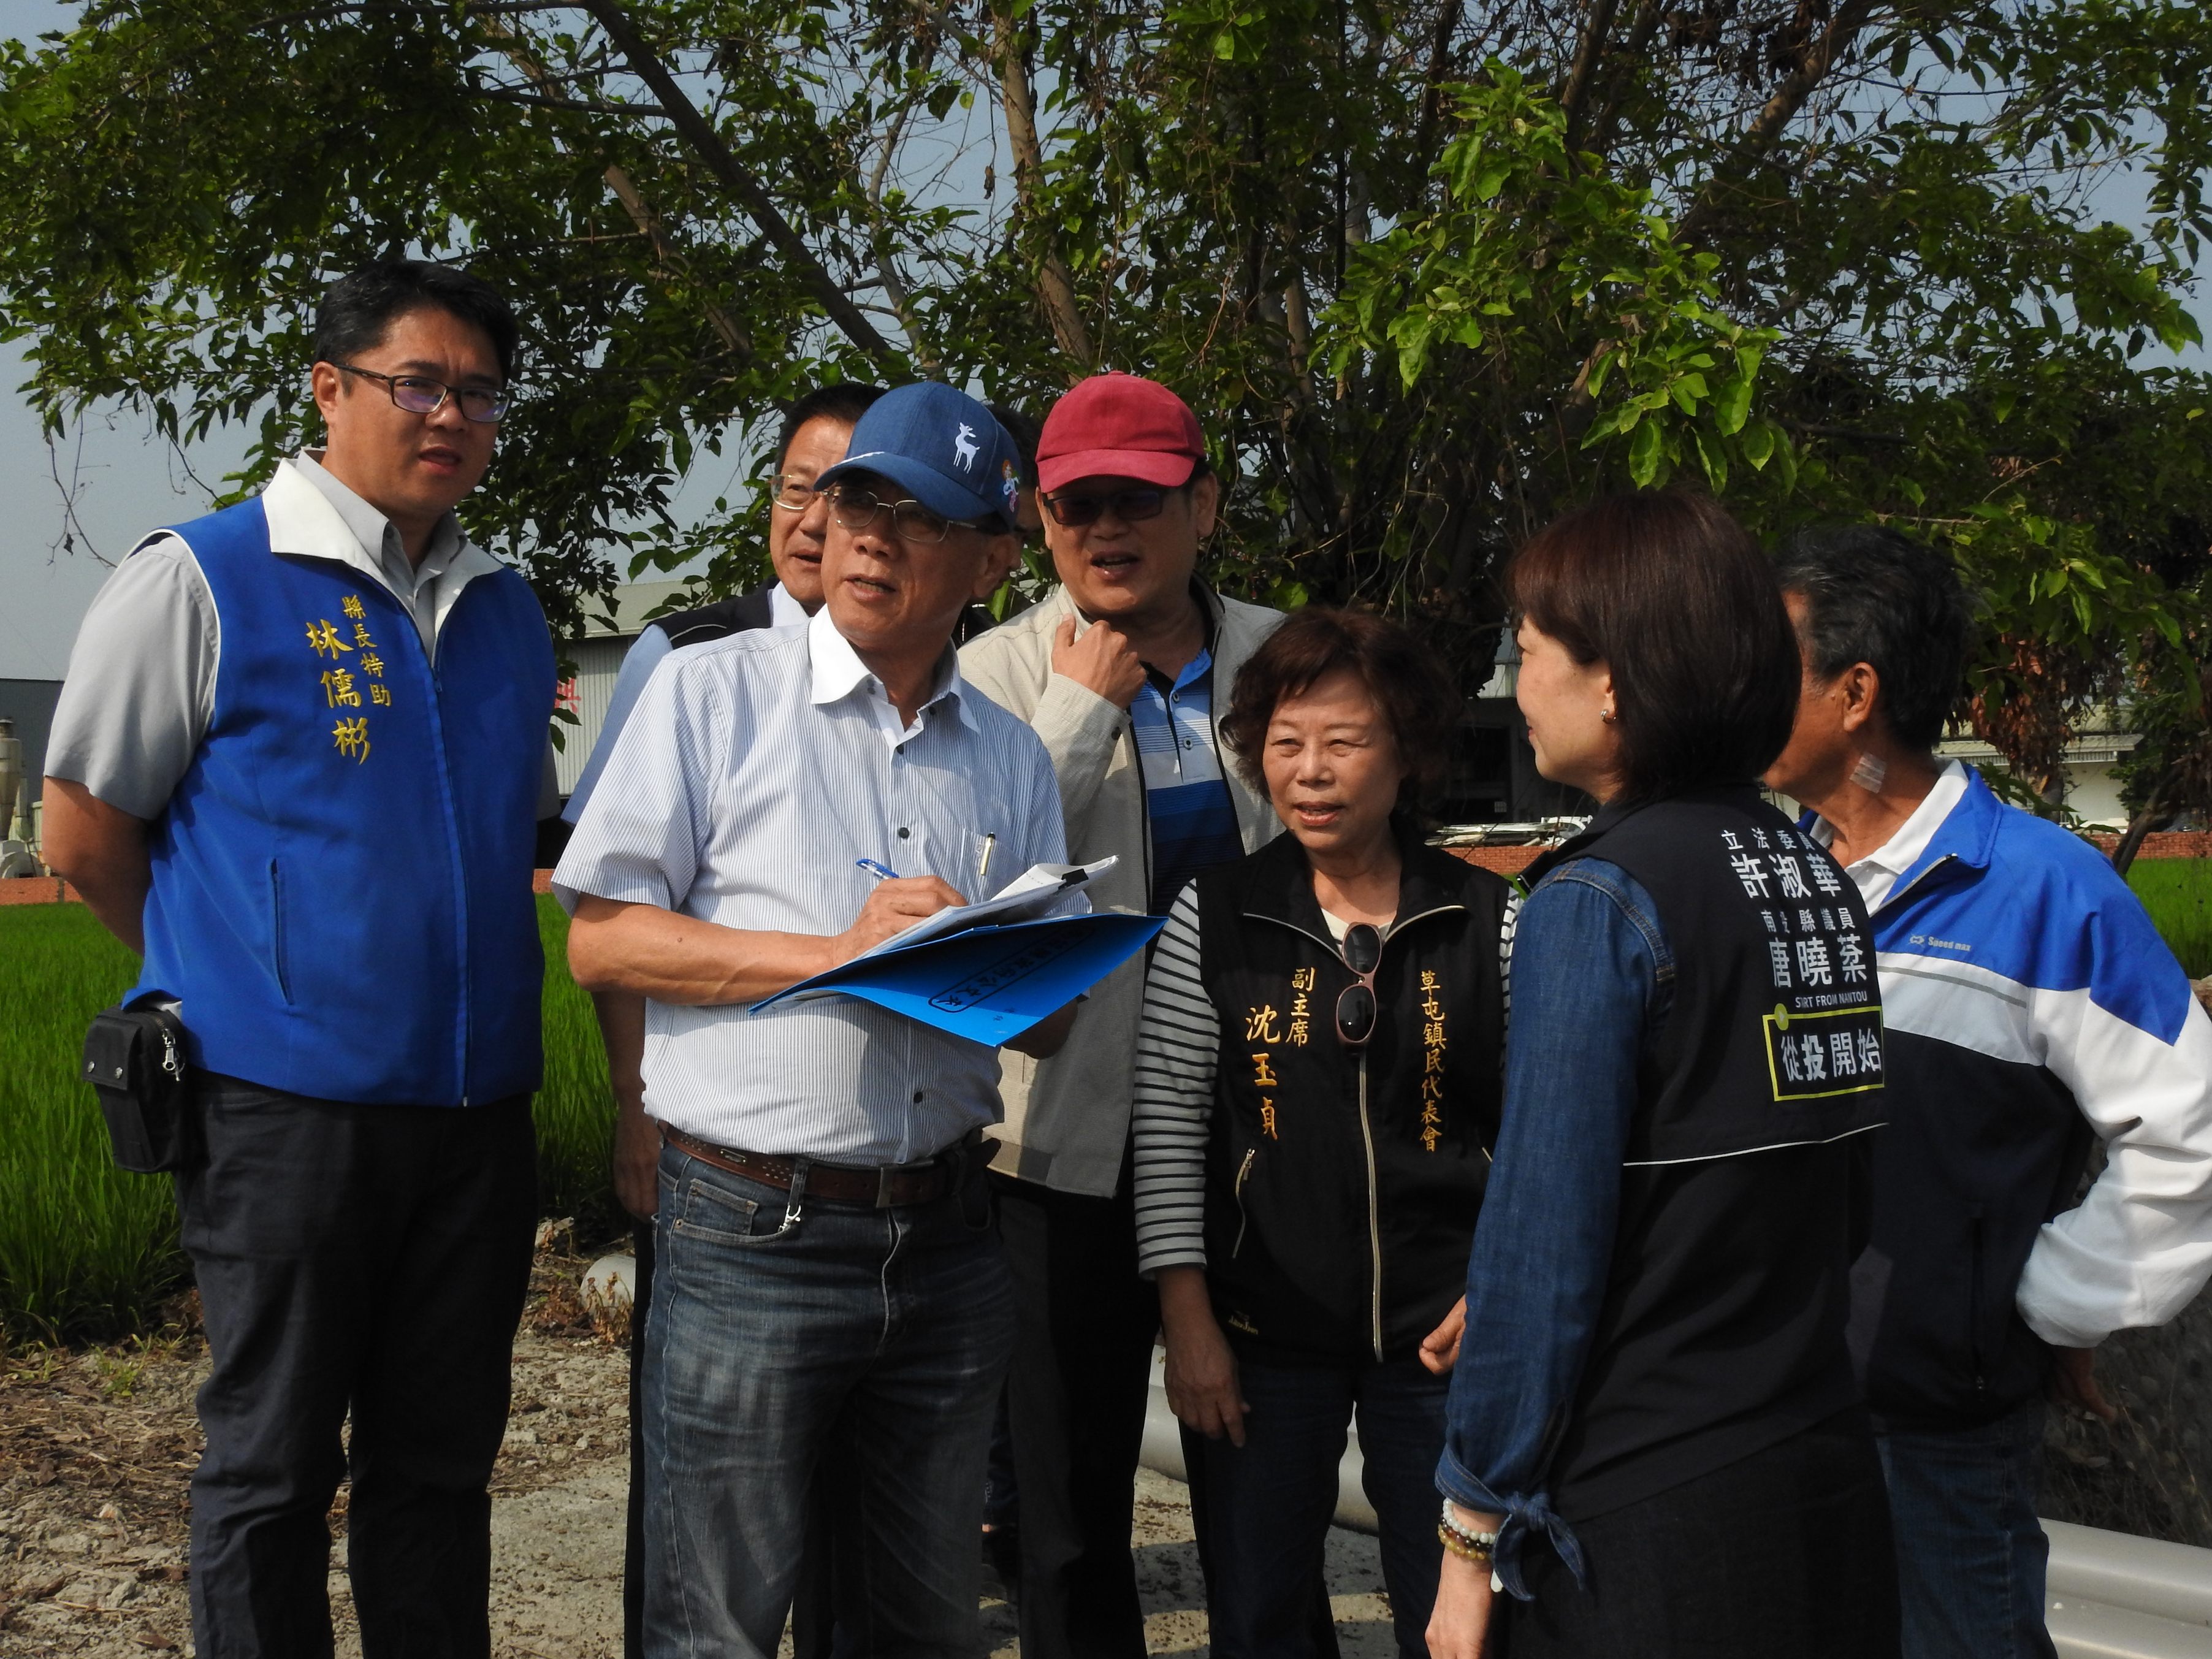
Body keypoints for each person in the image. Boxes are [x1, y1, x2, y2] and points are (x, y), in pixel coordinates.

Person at [40, 261, 557, 1658]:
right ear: (329, 391)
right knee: (270, 1467)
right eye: (418, 385)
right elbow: (84, 830)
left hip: (475, 1115)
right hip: (279, 1112)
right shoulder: (202, 577)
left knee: (441, 1467)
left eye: (479, 393)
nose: (450, 415)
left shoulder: (507, 608)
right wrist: (234, 975)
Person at [555, 381, 1075, 1657]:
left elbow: (1046, 1030)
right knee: (715, 1623)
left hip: (948, 1232)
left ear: (992, 562)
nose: (869, 535)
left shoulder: (1008, 754)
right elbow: (602, 939)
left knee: (918, 1622)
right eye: (856, 500)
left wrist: (1004, 967)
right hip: (751, 1234)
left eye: (917, 515)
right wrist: (839, 954)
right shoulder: (708, 695)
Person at [1427, 491, 1898, 1659]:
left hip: (1645, 1503)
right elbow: (1821, 1187)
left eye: (1525, 650)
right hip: (1815, 1457)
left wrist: (1472, 1525)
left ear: (1616, 682)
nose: (1513, 682)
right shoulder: (1809, 872)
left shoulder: (1595, 899)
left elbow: (1546, 1236)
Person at [1763, 526, 2212, 1659]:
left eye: (1769, 664)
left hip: (1939, 1434)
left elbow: (2192, 1125)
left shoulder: (2037, 887)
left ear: (1855, 692)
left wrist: (2052, 1301)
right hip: (1778, 1406)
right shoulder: (1778, 881)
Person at [958, 370, 1282, 1659]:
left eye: (1137, 500)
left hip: (1260, 1131)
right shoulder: (986, 673)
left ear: (1200, 504)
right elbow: (976, 885)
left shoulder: (1284, 659)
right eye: (1076, 504)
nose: (1106, 529)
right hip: (1057, 1148)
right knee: (1066, 1510)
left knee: (1258, 1480)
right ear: (1040, 521)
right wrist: (1081, 713)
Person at [560, 379, 885, 1659]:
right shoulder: (688, 661)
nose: (826, 519)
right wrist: (635, 1115)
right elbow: (615, 919)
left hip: (880, 1172)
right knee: (702, 1508)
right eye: (806, 488)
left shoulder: (934, 676)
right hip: (726, 1166)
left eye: (859, 492)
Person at [1129, 609, 1512, 1658]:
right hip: (1259, 1340)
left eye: (1343, 743)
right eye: (1285, 744)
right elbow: (1167, 1130)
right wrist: (1189, 1319)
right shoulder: (1212, 918)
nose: (1309, 771)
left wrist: (1500, 1295)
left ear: (1409, 752)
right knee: (1257, 1615)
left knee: (1458, 1619)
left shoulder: (1493, 919)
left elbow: (1537, 1136)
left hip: (1444, 1342)